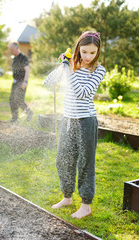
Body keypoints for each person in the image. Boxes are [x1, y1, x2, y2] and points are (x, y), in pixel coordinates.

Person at [44, 31, 106, 219]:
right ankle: (67, 197)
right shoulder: (71, 65)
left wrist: (69, 70)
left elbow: (82, 93)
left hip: (86, 121)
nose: (88, 56)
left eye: (92, 53)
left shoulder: (98, 70)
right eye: (84, 51)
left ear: (97, 53)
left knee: (85, 163)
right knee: (63, 160)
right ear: (78, 48)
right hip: (68, 121)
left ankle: (86, 205)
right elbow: (48, 83)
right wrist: (62, 65)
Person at [8, 41, 33, 123]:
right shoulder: (14, 58)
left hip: (21, 81)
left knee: (19, 100)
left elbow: (27, 69)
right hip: (15, 81)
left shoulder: (23, 57)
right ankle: (15, 118)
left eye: (11, 49)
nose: (10, 50)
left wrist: (25, 82)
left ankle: (29, 113)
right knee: (12, 99)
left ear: (17, 48)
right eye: (9, 49)